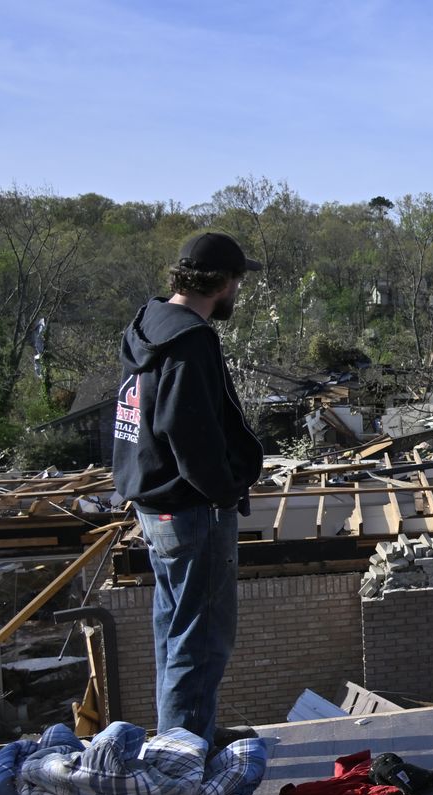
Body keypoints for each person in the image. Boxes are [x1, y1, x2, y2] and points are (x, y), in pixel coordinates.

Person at [111, 232, 264, 743]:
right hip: (192, 507)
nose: (238, 291)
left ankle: (182, 732)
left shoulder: (149, 324)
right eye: (238, 281)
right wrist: (222, 491)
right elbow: (188, 429)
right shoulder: (190, 340)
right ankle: (183, 754)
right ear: (222, 284)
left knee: (174, 628)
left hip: (154, 503)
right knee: (202, 637)